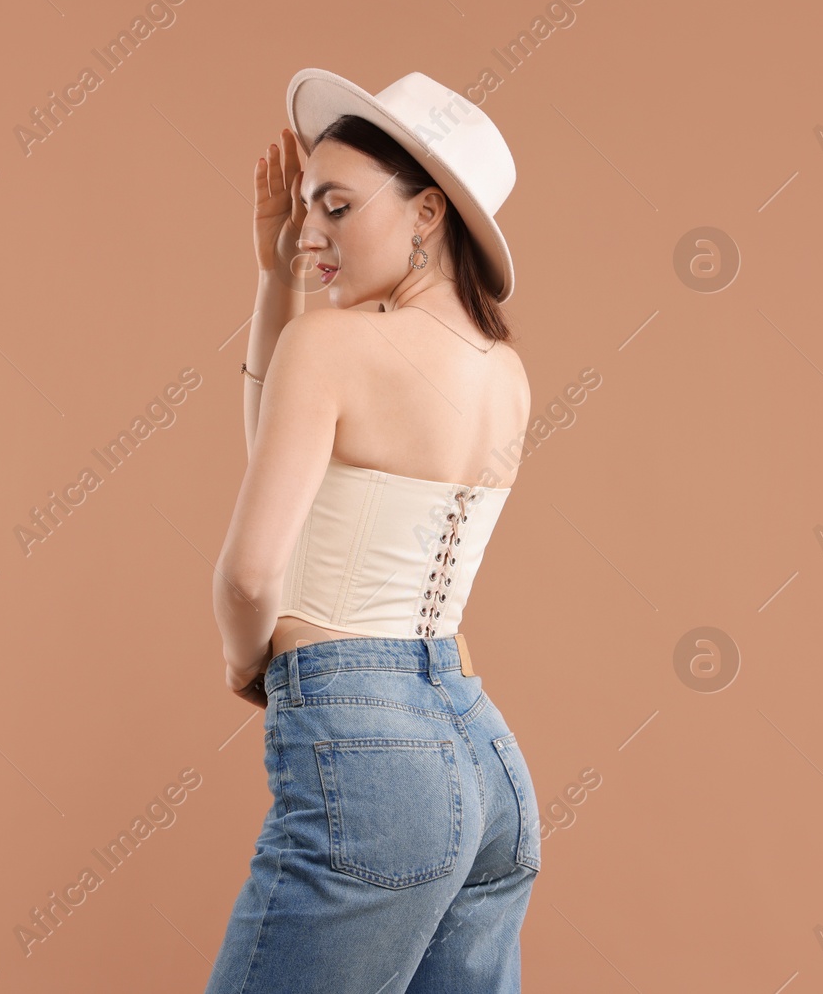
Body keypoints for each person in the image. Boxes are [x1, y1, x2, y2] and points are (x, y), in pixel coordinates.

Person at [203, 68, 541, 993]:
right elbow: (288, 460)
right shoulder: (505, 373)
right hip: (481, 756)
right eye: (307, 205)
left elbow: (248, 573)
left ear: (428, 211)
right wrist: (276, 281)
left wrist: (252, 664)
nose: (309, 231)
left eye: (338, 206)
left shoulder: (335, 345)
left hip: (369, 751)